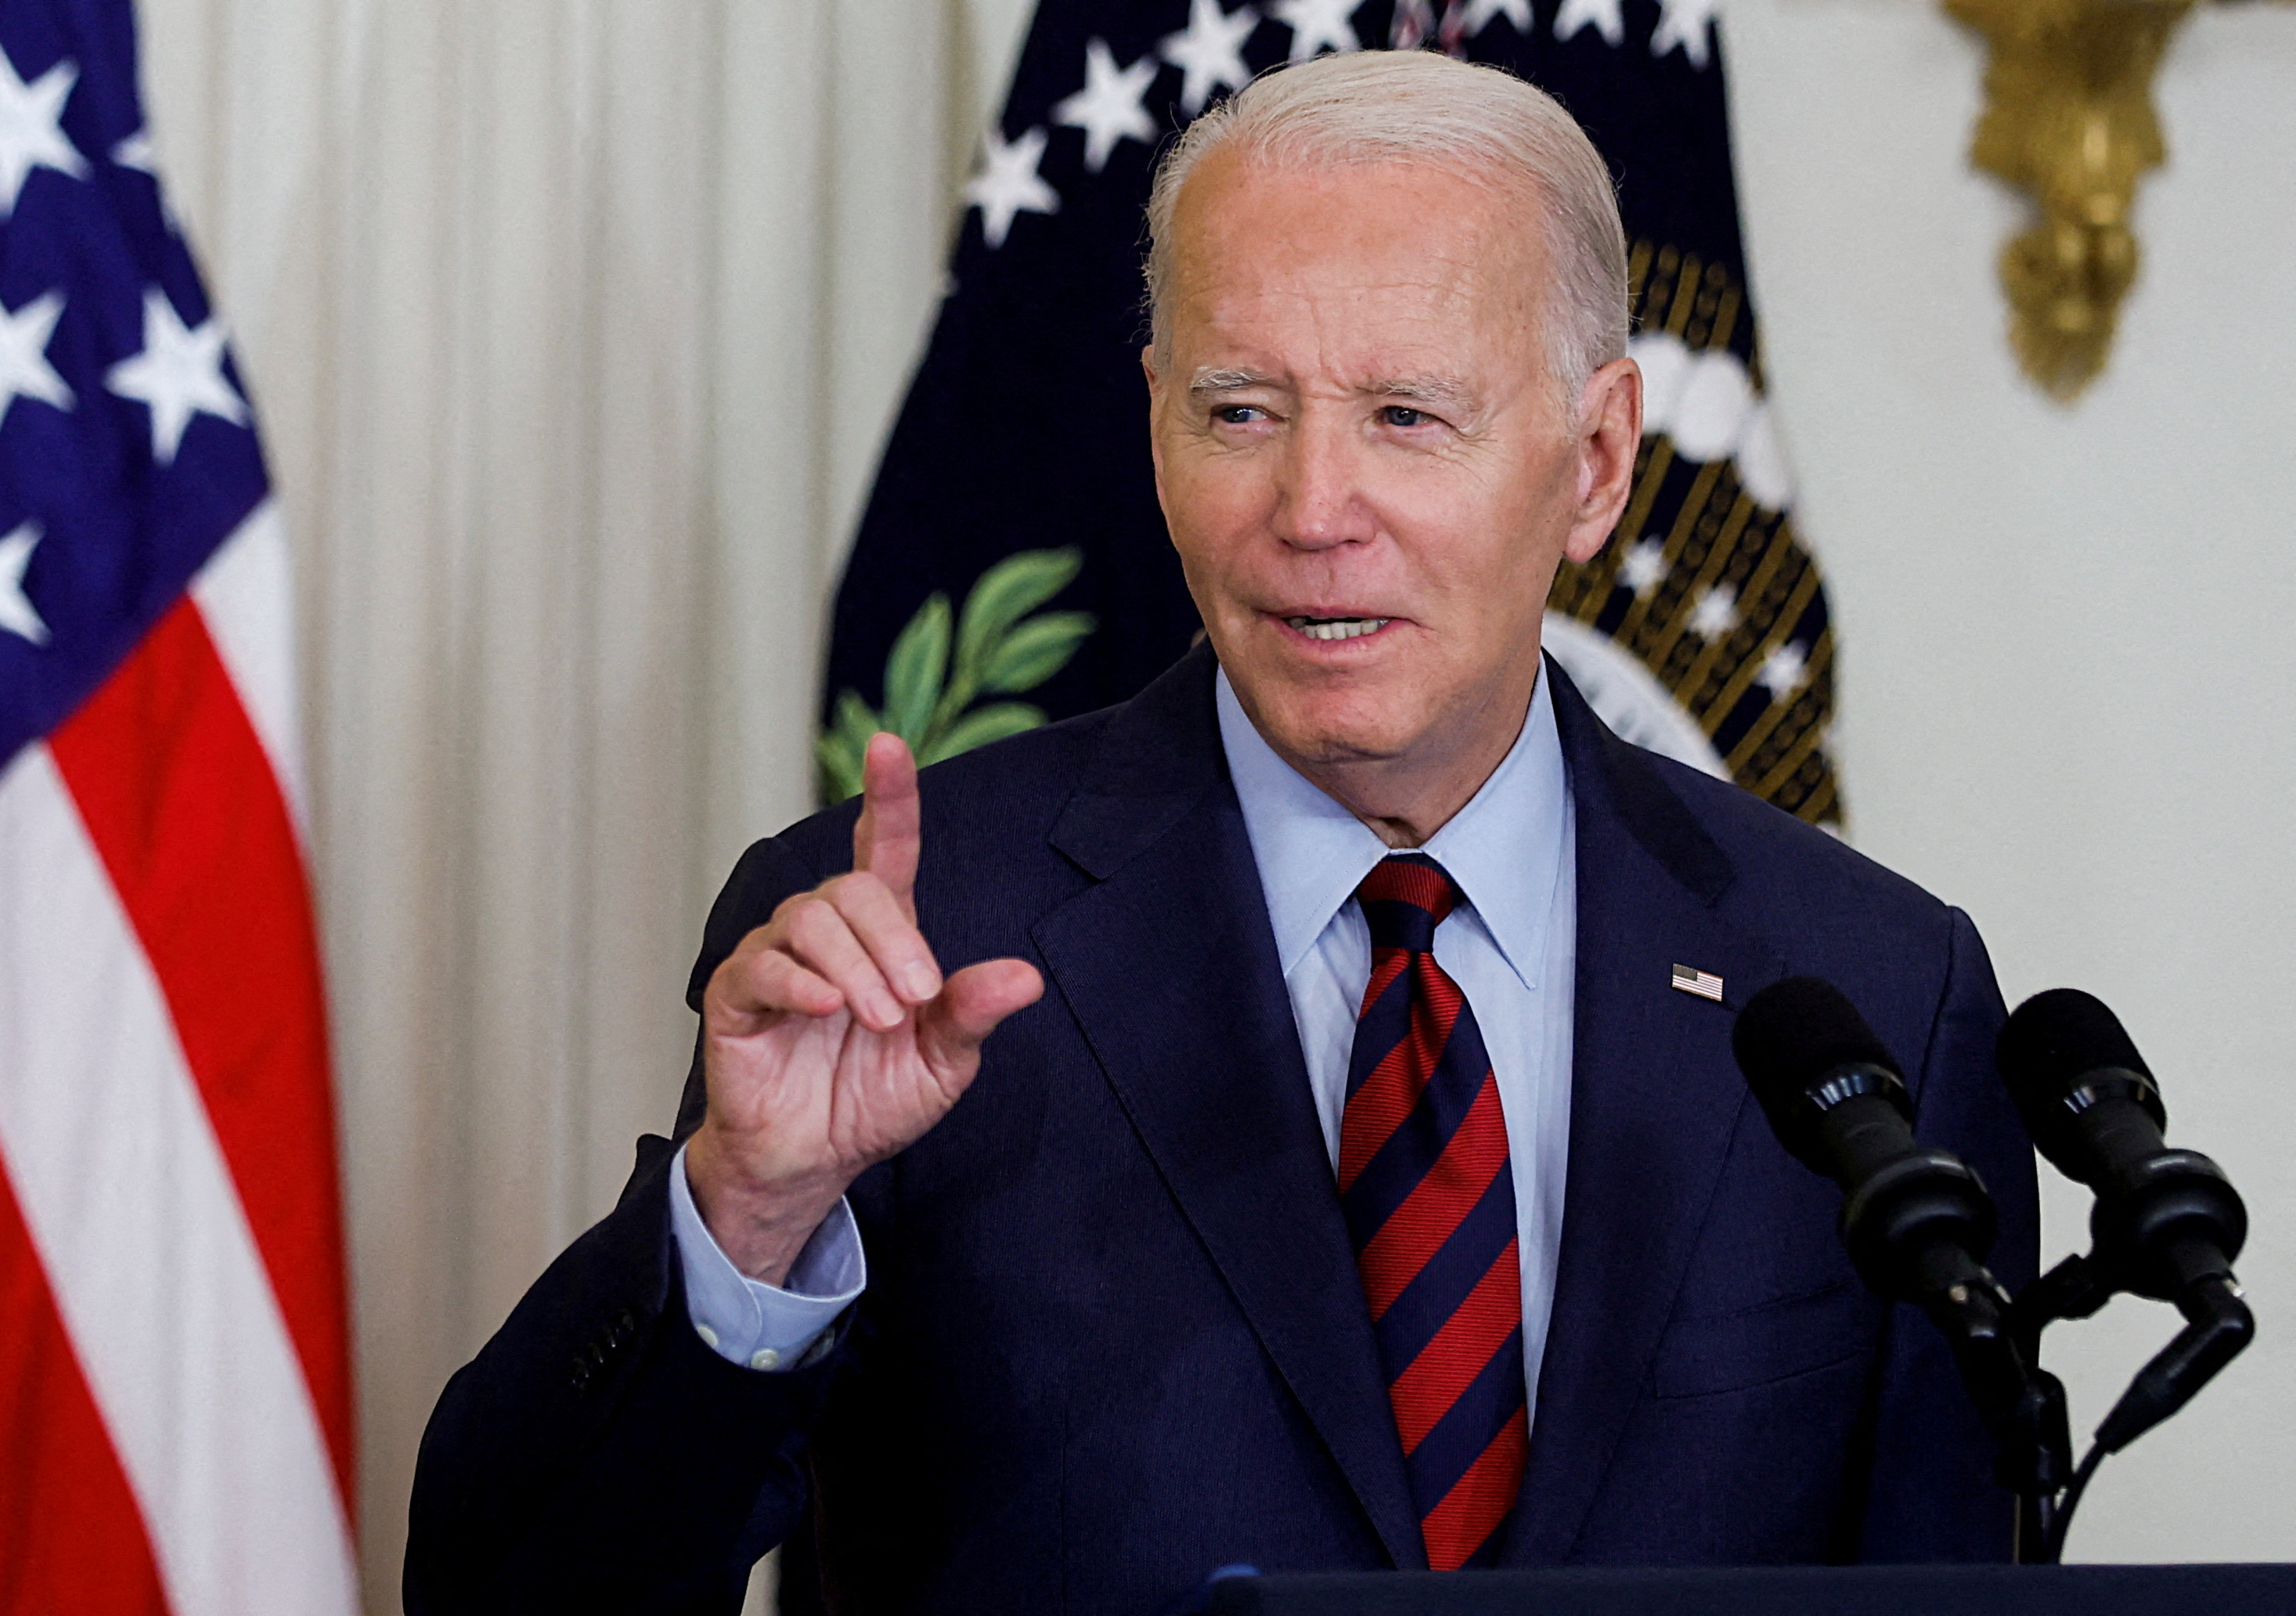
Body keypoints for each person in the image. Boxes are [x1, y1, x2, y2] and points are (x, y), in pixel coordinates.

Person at [404, 50, 2035, 1615]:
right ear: (1156, 424)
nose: (1312, 507)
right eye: (1241, 411)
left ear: (1595, 461)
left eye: (1407, 416)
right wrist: (745, 1224)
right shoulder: (907, 941)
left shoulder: (1873, 991)